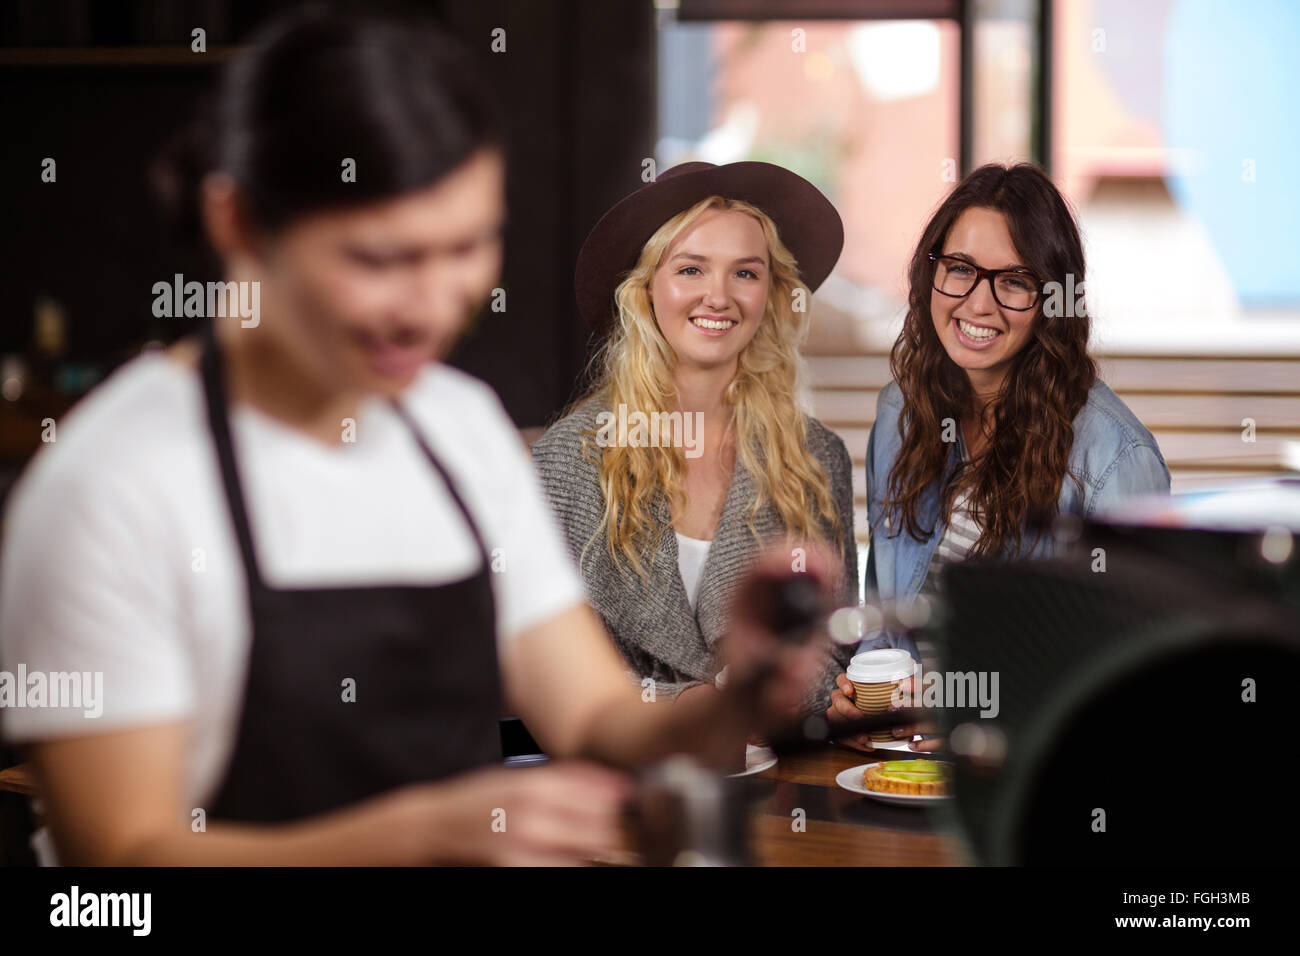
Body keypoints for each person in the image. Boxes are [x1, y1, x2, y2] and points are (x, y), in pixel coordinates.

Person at [0, 7, 832, 865]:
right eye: (382, 259)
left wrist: (747, 695)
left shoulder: (457, 427)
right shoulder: (111, 482)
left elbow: (596, 718)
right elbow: (120, 863)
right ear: (238, 227)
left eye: (467, 248)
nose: (434, 304)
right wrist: (425, 835)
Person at [825, 162, 1171, 751]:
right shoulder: (901, 414)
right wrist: (866, 699)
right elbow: (890, 625)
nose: (978, 304)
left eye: (1013, 281)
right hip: (902, 767)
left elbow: (1132, 676)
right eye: (959, 270)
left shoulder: (1114, 457)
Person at [531, 161, 858, 719]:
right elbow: (554, 675)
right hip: (626, 777)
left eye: (746, 274)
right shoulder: (567, 461)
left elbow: (833, 641)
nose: (719, 297)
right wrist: (702, 705)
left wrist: (808, 693)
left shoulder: (815, 456)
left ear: (771, 295)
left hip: (784, 778)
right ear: (645, 289)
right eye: (691, 270)